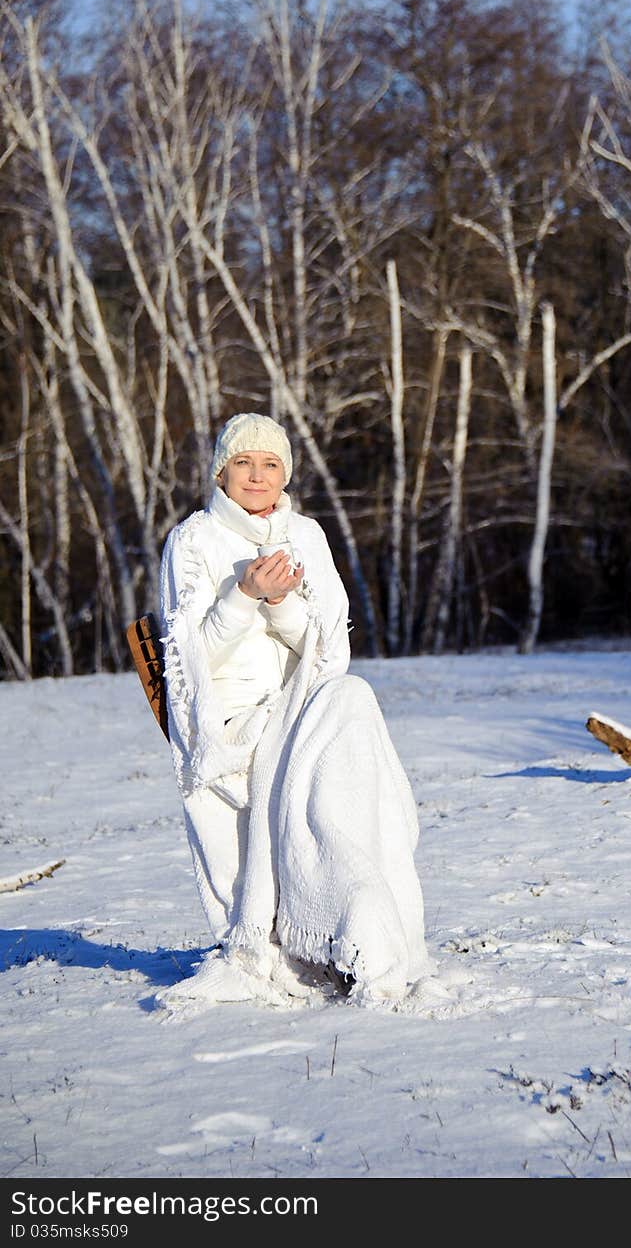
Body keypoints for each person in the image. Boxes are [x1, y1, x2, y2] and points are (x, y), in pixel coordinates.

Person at [157, 412, 434, 1009]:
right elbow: (186, 661)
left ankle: (370, 926)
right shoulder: (194, 540)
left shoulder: (305, 534)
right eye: (243, 463)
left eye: (271, 464)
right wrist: (243, 595)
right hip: (234, 724)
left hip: (302, 702)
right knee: (349, 717)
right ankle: (352, 934)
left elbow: (331, 648)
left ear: (286, 473)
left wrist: (281, 604)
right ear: (221, 471)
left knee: (353, 700)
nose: (257, 476)